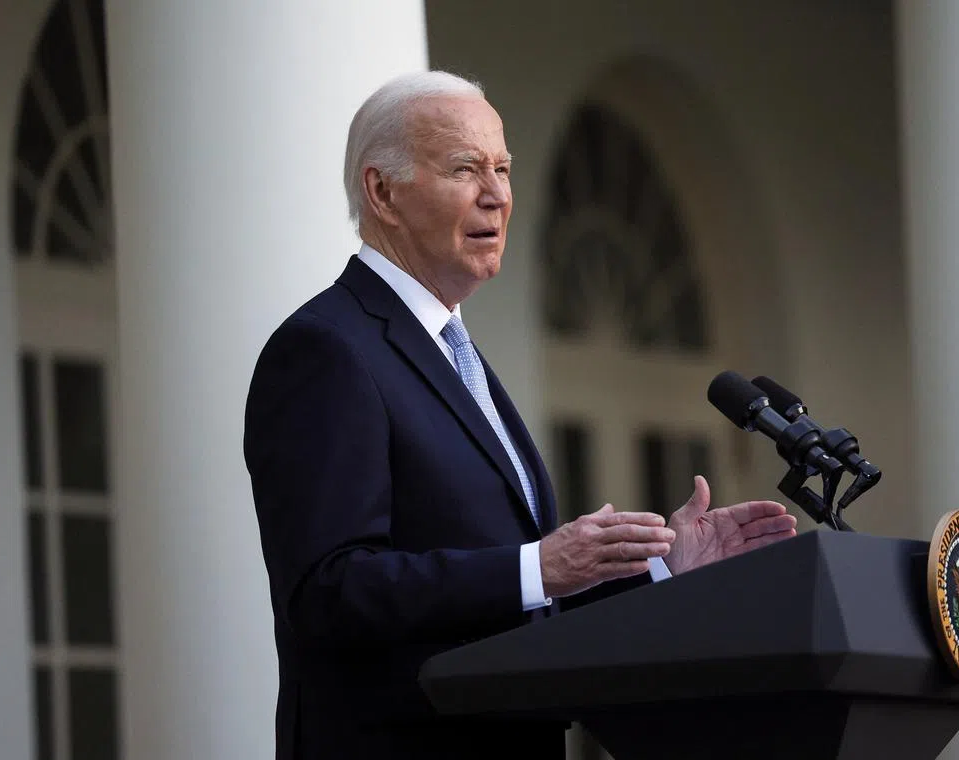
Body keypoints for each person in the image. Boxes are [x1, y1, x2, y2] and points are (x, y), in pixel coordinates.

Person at [243, 70, 797, 760]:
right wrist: (538, 565)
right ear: (382, 192)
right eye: (465, 168)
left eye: (503, 169)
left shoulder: (454, 352)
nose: (499, 195)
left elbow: (518, 597)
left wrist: (658, 571)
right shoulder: (328, 349)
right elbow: (329, 591)